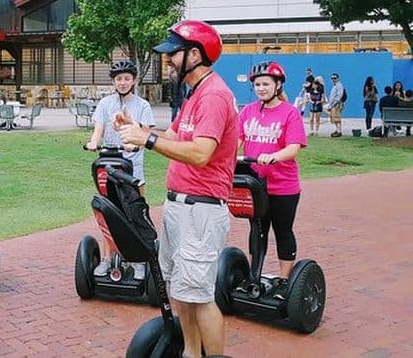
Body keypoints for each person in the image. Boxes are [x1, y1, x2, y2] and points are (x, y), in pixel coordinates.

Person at [116, 20, 237, 358]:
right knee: (182, 292)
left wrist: (147, 140)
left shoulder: (214, 95)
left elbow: (201, 152)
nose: (167, 60)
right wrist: (138, 128)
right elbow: (177, 137)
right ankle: (190, 353)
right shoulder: (195, 94)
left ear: (195, 55)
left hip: (200, 210)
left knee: (200, 296)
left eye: (173, 54)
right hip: (180, 208)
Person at [238, 61, 307, 301]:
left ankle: (285, 280)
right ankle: (254, 276)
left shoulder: (290, 112)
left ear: (277, 85)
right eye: (257, 84)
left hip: (283, 186)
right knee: (257, 230)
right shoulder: (247, 111)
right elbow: (236, 140)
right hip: (254, 184)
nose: (261, 88)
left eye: (266, 84)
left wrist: (273, 156)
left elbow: (294, 147)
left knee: (282, 230)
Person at [86, 60, 156, 280]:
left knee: (135, 216)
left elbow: (145, 133)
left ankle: (138, 262)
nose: (123, 82)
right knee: (108, 216)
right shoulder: (106, 103)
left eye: (127, 78)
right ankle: (107, 260)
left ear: (133, 80)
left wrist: (135, 142)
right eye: (119, 79)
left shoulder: (142, 105)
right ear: (113, 81)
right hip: (109, 168)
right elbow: (99, 128)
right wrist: (93, 142)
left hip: (133, 171)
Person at [326, 73, 345, 137]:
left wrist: (334, 104)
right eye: (332, 78)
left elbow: (339, 95)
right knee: (334, 118)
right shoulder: (334, 86)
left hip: (337, 104)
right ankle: (337, 130)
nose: (333, 79)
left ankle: (339, 131)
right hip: (333, 104)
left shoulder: (339, 85)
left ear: (338, 78)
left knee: (337, 117)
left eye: (335, 78)